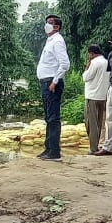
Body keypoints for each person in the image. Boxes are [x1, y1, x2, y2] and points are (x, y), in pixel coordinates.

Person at [35, 14, 70, 161]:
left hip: (51, 83)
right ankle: (48, 148)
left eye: (50, 23)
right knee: (48, 117)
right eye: (46, 23)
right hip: (46, 82)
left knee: (53, 118)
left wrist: (54, 81)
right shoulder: (50, 41)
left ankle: (54, 151)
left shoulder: (57, 41)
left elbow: (65, 64)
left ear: (57, 27)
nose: (46, 25)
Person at [82, 44, 111, 154]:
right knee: (99, 122)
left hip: (92, 96)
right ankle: (98, 145)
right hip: (103, 96)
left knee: (91, 123)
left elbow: (86, 77)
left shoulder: (94, 63)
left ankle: (93, 148)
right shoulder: (107, 62)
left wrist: (87, 67)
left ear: (91, 54)